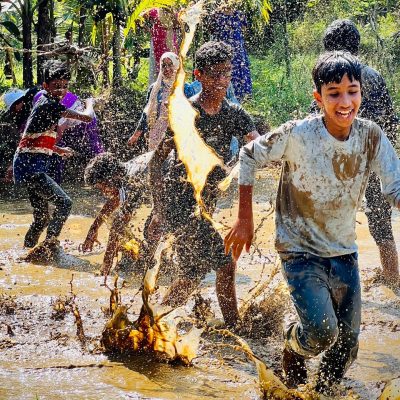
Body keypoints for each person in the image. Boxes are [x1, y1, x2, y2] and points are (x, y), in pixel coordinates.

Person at [224, 51, 400, 392]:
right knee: (321, 332)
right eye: (334, 93)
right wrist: (243, 218)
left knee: (346, 348)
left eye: (353, 91)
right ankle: (292, 348)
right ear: (318, 97)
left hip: (343, 249)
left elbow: (395, 188)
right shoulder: (298, 135)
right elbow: (248, 155)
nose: (345, 101)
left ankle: (320, 394)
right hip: (299, 249)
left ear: (361, 92)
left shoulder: (371, 136)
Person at [148, 41, 259, 327]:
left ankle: (151, 319)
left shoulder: (235, 113)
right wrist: (159, 210)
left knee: (192, 273)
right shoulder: (187, 115)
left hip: (203, 205)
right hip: (179, 200)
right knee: (225, 260)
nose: (222, 81)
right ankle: (235, 327)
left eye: (226, 74)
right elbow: (156, 161)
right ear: (199, 75)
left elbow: (257, 146)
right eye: (214, 75)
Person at [319, 19, 399, 285]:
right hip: (372, 154)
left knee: (329, 216)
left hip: (341, 159)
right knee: (379, 217)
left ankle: (333, 281)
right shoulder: (373, 76)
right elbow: (391, 121)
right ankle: (392, 277)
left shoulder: (329, 77)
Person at [13, 60, 94, 253]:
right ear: (45, 86)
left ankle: (26, 251)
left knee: (41, 218)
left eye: (65, 86)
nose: (61, 90)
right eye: (56, 86)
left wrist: (57, 149)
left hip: (25, 165)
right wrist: (90, 103)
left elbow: (32, 137)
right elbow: (87, 117)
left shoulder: (43, 102)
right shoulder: (51, 105)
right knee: (65, 203)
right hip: (32, 168)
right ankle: (49, 245)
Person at [82, 151, 152, 275]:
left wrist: (105, 268)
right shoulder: (126, 171)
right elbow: (115, 200)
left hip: (181, 179)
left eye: (103, 186)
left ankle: (153, 267)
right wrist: (94, 228)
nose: (104, 192)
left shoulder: (130, 180)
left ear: (112, 176)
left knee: (151, 231)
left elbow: (117, 226)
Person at [33, 89, 104, 183]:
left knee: (95, 151)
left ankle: (104, 176)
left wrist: (54, 147)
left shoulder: (56, 108)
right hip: (74, 123)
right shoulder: (46, 102)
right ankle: (54, 181)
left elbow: (57, 136)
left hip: (85, 125)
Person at [128, 52, 180, 151]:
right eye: (163, 65)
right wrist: (136, 135)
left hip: (177, 134)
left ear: (176, 66)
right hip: (156, 133)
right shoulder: (155, 88)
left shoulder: (183, 88)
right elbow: (146, 113)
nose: (167, 69)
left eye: (170, 65)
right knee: (156, 162)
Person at [207, 2, 252, 101]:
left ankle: (239, 98)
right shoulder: (216, 15)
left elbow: (244, 29)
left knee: (237, 71)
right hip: (222, 51)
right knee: (223, 71)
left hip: (237, 51)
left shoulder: (239, 14)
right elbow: (211, 31)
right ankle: (223, 97)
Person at [146, 8, 180, 84]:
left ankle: (172, 88)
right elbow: (144, 19)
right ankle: (157, 89)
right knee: (159, 67)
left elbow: (177, 25)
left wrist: (171, 13)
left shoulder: (173, 8)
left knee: (171, 64)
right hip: (157, 43)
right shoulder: (154, 9)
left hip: (169, 40)